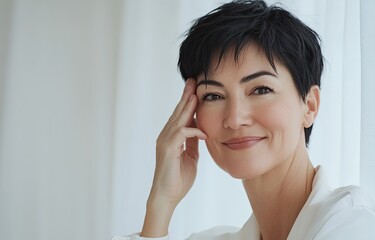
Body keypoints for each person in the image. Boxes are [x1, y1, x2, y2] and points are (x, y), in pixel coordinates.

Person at [113, 0, 375, 239]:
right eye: (214, 96)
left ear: (309, 105)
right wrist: (160, 202)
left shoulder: (351, 225)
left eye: (261, 90)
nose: (235, 119)